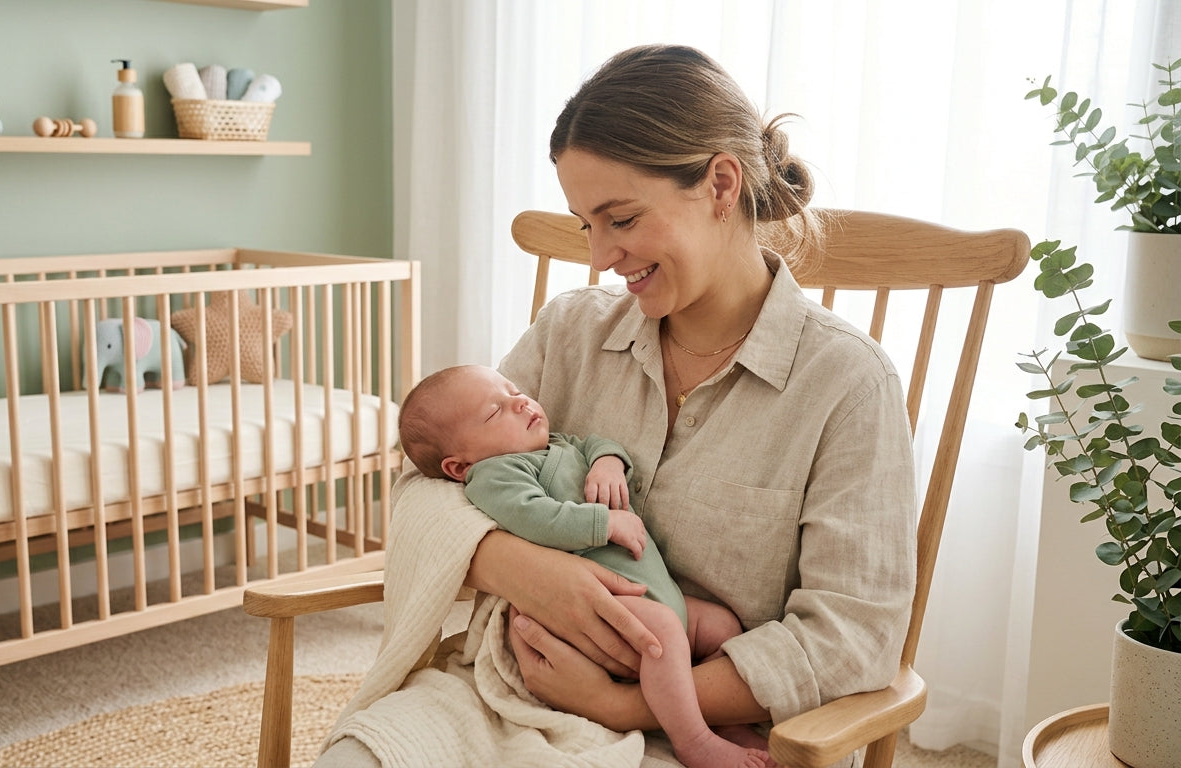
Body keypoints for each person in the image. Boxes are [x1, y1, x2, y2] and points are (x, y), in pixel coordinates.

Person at [315, 43, 916, 768]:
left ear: (721, 183)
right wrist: (517, 567)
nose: (599, 255)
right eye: (584, 225)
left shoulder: (846, 384)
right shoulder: (570, 332)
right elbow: (424, 485)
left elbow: (852, 636)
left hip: (719, 733)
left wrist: (630, 703)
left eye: (621, 219)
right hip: (510, 694)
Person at [398, 363, 767, 768]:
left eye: (514, 390)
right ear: (459, 466)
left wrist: (607, 462)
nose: (520, 402)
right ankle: (693, 740)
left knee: (722, 627)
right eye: (494, 411)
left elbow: (595, 443)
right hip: (601, 606)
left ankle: (724, 722)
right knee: (661, 635)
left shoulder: (554, 444)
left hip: (649, 591)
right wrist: (603, 522)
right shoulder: (495, 474)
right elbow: (535, 517)